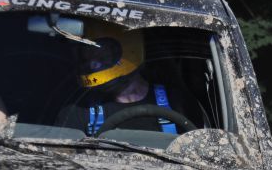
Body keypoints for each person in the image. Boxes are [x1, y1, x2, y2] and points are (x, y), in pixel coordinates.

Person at [57, 22, 204, 136]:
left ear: (129, 46)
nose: (92, 63)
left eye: (101, 53)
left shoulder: (178, 102)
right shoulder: (78, 110)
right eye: (85, 54)